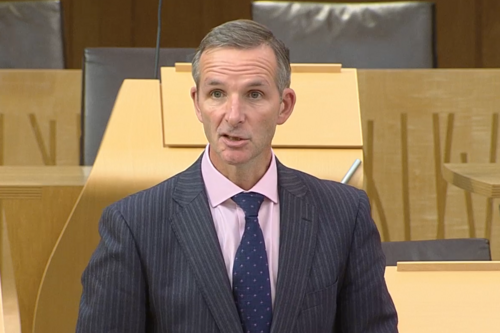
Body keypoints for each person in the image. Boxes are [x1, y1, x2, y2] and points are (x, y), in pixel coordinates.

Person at [76, 19, 398, 333]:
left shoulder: (344, 214)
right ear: (197, 103)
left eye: (254, 95)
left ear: (284, 106)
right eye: (216, 94)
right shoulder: (134, 225)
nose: (233, 116)